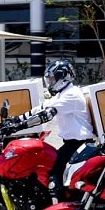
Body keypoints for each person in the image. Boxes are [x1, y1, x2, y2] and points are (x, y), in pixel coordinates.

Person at [23, 58, 94, 197]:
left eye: (52, 79)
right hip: (72, 144)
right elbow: (43, 106)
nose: (50, 82)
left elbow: (49, 110)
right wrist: (17, 119)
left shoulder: (71, 95)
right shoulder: (64, 93)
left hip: (78, 145)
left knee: (55, 179)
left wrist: (25, 124)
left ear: (63, 77)